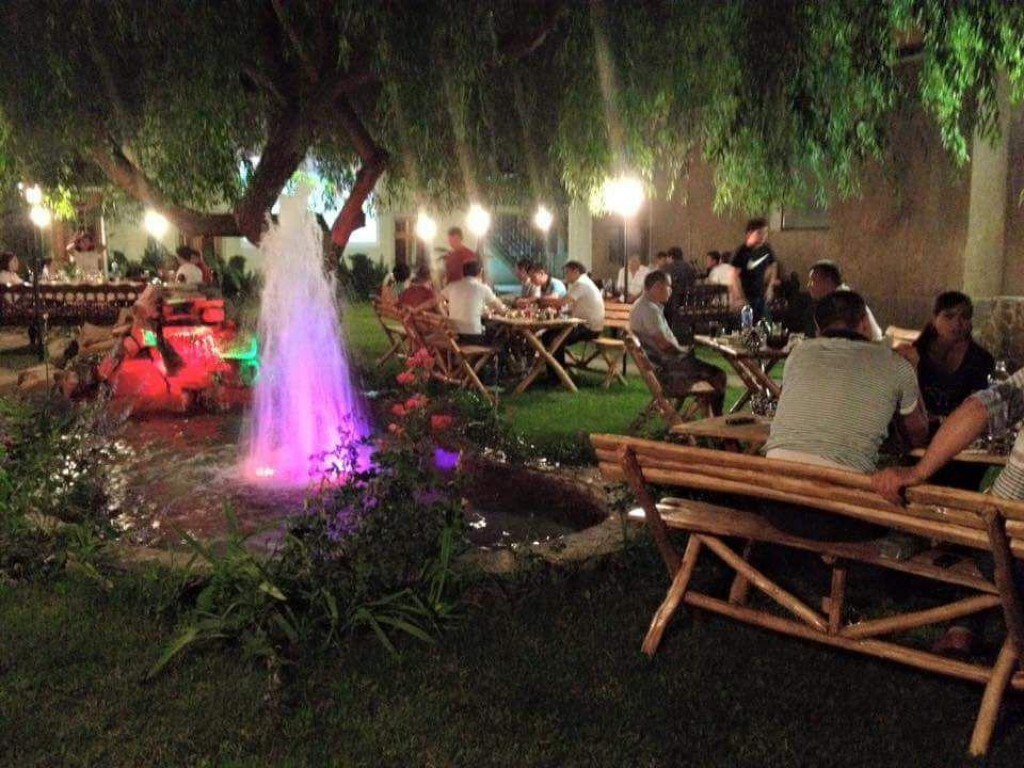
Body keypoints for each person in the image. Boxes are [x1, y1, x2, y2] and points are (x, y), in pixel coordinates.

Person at [765, 291, 929, 473]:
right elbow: (918, 438)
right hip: (844, 479)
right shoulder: (895, 364)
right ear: (865, 323)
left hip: (776, 470)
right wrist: (913, 369)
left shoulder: (798, 354)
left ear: (818, 329)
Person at [630, 270, 726, 414]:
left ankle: (708, 419)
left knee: (710, 373)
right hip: (670, 372)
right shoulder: (649, 310)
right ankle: (717, 421)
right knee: (718, 375)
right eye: (668, 286)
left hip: (663, 366)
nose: (671, 290)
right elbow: (663, 345)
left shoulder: (643, 305)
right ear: (657, 287)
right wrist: (683, 351)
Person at [807, 260, 883, 341]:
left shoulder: (843, 302)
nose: (808, 286)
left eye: (813, 281)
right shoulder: (835, 300)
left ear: (828, 281)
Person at [551, 261, 604, 369]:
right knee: (549, 335)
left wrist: (540, 301)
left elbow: (563, 302)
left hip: (589, 328)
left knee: (553, 338)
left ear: (576, 271)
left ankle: (557, 373)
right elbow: (572, 307)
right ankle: (558, 370)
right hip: (587, 326)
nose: (565, 275)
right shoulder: (583, 282)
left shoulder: (581, 283)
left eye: (567, 272)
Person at [440, 260, 505, 345]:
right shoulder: (482, 288)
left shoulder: (452, 286)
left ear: (463, 273)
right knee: (502, 335)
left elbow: (437, 301)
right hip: (474, 338)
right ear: (480, 272)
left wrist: (445, 315)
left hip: (455, 337)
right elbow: (500, 308)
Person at [732, 218, 778, 320]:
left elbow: (773, 266)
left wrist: (770, 287)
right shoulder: (742, 252)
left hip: (761, 296)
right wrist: (740, 296)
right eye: (760, 233)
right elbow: (734, 276)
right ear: (750, 233)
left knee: (765, 324)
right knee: (747, 326)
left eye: (765, 233)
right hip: (746, 297)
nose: (764, 236)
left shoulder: (766, 249)